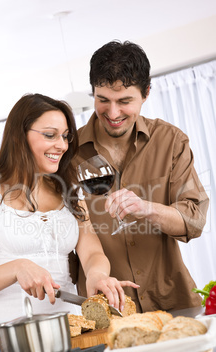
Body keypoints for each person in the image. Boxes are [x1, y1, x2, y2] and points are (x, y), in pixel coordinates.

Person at [0, 93, 138, 352]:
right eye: (50, 135)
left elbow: (91, 253)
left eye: (65, 136)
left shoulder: (68, 191)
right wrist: (17, 267)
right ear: (20, 136)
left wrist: (98, 276)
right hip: (5, 348)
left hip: (72, 337)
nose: (62, 145)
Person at [73, 40, 209, 313]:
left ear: (146, 93)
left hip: (174, 302)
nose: (112, 114)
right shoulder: (69, 152)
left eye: (124, 101)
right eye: (103, 100)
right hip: (109, 312)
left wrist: (147, 209)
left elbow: (194, 219)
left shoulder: (170, 141)